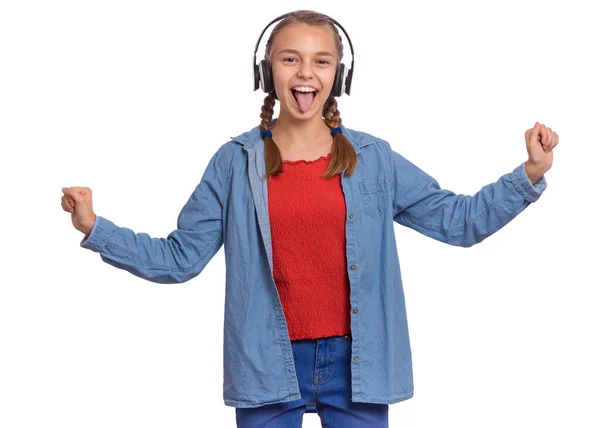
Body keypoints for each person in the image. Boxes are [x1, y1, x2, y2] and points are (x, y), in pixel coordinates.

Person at [60, 9, 559, 428]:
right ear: (268, 72)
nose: (305, 73)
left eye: (321, 61)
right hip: (266, 363)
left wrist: (529, 174)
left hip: (358, 364)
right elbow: (181, 257)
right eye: (290, 58)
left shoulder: (374, 159)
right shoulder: (235, 162)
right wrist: (94, 226)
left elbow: (458, 220)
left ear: (338, 75)